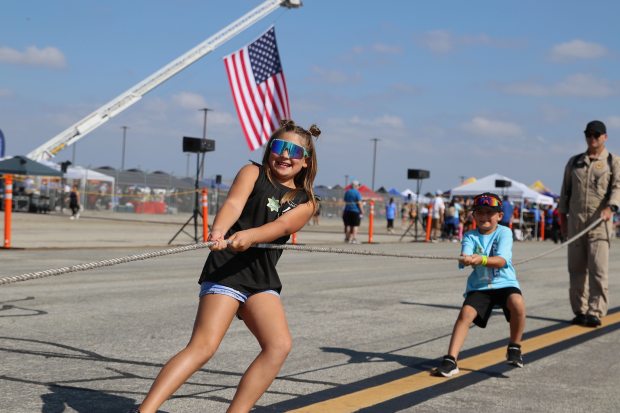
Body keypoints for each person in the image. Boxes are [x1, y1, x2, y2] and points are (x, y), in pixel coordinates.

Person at [131, 120, 321, 413]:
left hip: (261, 278)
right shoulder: (252, 173)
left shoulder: (305, 201)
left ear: (306, 161)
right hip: (228, 269)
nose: (285, 155)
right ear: (270, 149)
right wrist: (219, 230)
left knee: (278, 346)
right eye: (279, 146)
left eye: (294, 151)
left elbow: (282, 225)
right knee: (203, 347)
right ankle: (145, 411)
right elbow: (233, 203)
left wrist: (250, 236)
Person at [433, 192, 526, 377]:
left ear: (499, 216)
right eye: (480, 212)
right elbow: (466, 254)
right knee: (465, 315)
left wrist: (481, 259)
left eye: (489, 213)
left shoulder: (505, 232)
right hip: (480, 286)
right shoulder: (469, 236)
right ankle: (451, 360)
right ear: (473, 215)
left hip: (505, 282)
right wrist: (466, 259)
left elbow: (501, 260)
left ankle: (514, 346)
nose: (484, 217)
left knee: (518, 303)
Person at [558, 120, 620, 328]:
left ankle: (595, 311)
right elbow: (565, 193)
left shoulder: (613, 162)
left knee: (598, 270)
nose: (592, 138)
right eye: (589, 134)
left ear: (605, 137)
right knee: (575, 270)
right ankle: (580, 310)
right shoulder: (574, 162)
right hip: (576, 224)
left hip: (599, 225)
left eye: (596, 134)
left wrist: (611, 207)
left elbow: (618, 188)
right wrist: (562, 219)